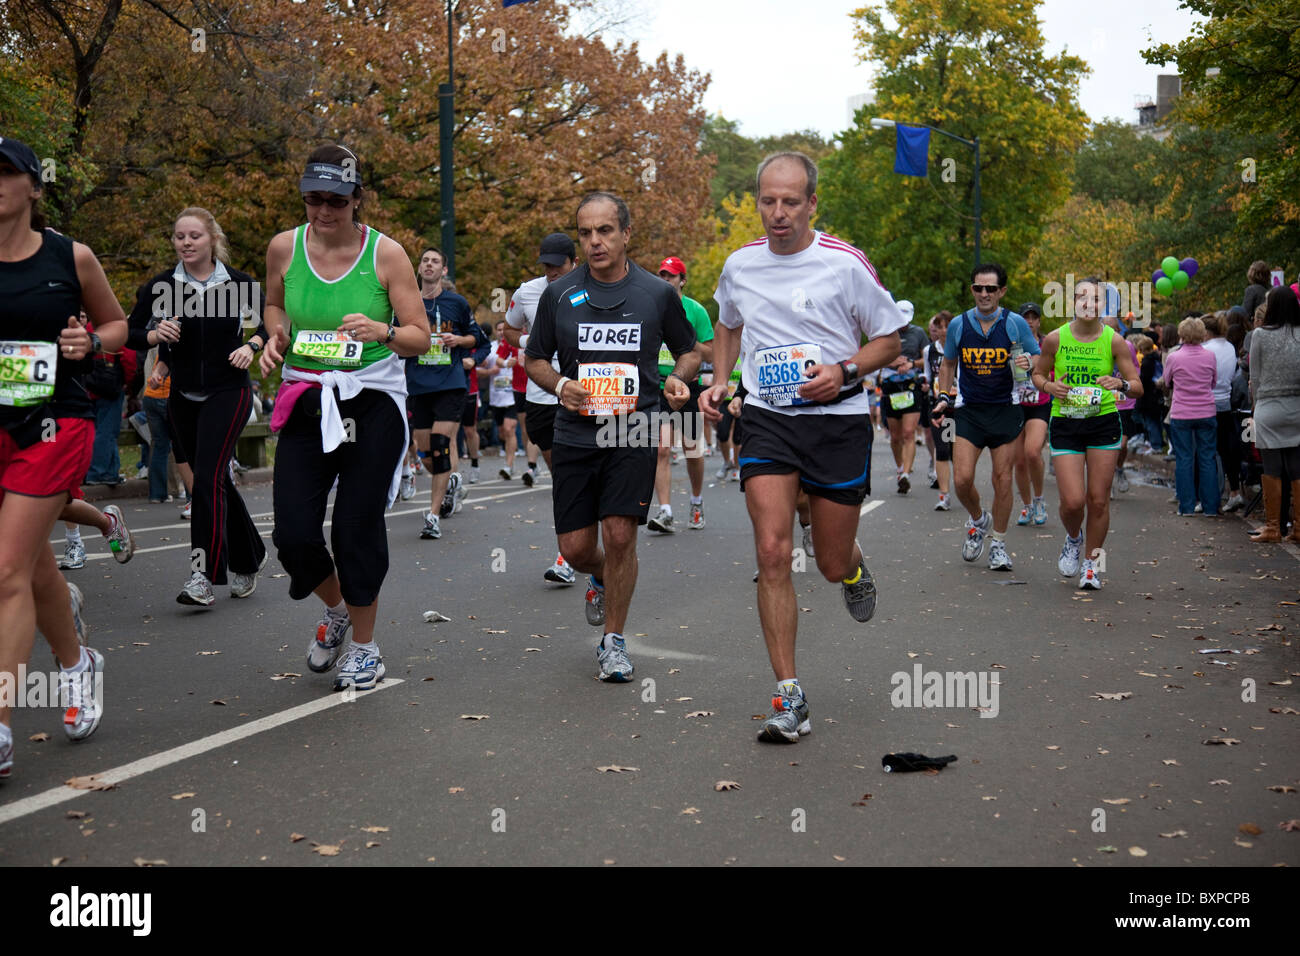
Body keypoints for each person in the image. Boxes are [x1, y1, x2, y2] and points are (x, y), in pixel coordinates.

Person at [700, 151, 905, 744]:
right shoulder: (741, 265)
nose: (778, 213)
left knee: (831, 562)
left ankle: (851, 566)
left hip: (836, 422)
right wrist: (721, 378)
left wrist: (844, 370)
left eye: (792, 201)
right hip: (768, 417)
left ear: (813, 203)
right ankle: (789, 696)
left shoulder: (844, 264)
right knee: (771, 551)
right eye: (768, 200)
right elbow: (729, 323)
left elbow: (889, 341)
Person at [259, 143, 431, 689]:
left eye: (335, 199)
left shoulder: (387, 255)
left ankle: (365, 645)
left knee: (356, 526)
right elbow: (274, 305)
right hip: (307, 399)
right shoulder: (284, 248)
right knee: (292, 533)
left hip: (371, 401)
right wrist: (275, 333)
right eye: (313, 199)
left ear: (358, 199)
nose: (323, 211)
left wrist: (383, 331)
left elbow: (420, 338)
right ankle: (335, 609)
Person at [524, 191, 698, 684]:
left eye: (605, 231)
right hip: (577, 432)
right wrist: (560, 385)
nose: (596, 241)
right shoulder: (559, 294)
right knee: (577, 548)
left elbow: (689, 350)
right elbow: (533, 357)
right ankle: (599, 576)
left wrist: (678, 378)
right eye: (586, 233)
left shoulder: (656, 293)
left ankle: (614, 641)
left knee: (621, 534)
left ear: (626, 234)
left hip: (635, 426)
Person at [0, 135, 122, 776]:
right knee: (29, 565)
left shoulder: (68, 256)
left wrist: (88, 343)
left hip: (52, 421)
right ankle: (78, 663)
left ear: (33, 187)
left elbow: (116, 327)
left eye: (4, 173)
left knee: (3, 570)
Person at [125, 207, 268, 605]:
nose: (185, 243)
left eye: (194, 236)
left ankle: (202, 575)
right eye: (179, 236)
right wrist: (155, 335)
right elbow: (131, 332)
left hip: (230, 392)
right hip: (182, 396)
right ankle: (250, 556)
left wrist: (251, 346)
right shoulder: (162, 287)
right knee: (215, 480)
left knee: (205, 480)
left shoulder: (238, 284)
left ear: (212, 240)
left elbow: (274, 326)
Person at [1032, 277, 1142, 589]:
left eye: (1095, 299)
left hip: (1103, 422)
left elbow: (1138, 386)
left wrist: (1120, 383)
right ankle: (1072, 538)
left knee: (1098, 500)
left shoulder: (1114, 341)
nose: (1088, 304)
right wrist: (1050, 386)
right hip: (1066, 423)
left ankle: (1092, 566)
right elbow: (1038, 375)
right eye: (1082, 298)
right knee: (1072, 502)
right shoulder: (1055, 339)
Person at [930, 264, 1039, 572]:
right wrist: (943, 395)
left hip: (1006, 409)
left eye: (991, 288)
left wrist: (1027, 360)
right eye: (979, 288)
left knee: (1002, 479)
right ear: (972, 290)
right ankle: (979, 520)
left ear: (1002, 291)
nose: (984, 294)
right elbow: (948, 364)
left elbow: (1038, 356)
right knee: (962, 479)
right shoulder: (960, 325)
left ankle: (999, 545)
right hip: (969, 410)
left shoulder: (1015, 324)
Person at [502, 232, 579, 583]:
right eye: (546, 265)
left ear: (573, 262)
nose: (551, 272)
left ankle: (568, 554)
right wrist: (527, 342)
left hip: (581, 394)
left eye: (557, 266)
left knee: (570, 476)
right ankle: (578, 542)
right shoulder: (526, 291)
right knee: (562, 476)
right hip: (541, 395)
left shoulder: (591, 287)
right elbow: (509, 329)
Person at [405, 247, 487, 540]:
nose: (429, 265)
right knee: (426, 453)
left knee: (441, 445)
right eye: (425, 260)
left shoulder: (456, 302)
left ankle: (433, 516)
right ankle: (451, 478)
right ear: (419, 268)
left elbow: (478, 338)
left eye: (435, 261)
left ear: (444, 271)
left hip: (450, 383)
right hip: (418, 384)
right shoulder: (406, 303)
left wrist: (459, 341)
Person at [647, 256, 714, 531]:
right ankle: (665, 511)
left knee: (691, 450)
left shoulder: (695, 310)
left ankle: (696, 502)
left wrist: (685, 339)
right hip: (657, 385)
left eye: (671, 276)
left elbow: (711, 352)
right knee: (661, 448)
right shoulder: (649, 307)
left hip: (687, 387)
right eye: (661, 275)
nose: (665, 280)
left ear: (682, 281)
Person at [1246, 286, 1300, 542]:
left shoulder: (1260, 335)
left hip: (1268, 405)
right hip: (1297, 406)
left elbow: (1254, 375)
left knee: (1272, 467)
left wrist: (1256, 405)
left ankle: (1272, 527)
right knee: (1296, 467)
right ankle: (1298, 528)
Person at [1162, 317, 1220, 517]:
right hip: (1206, 411)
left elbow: (1167, 381)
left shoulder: (1174, 357)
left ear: (1182, 334)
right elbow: (1213, 382)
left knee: (1184, 459)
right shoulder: (1210, 356)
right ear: (1202, 334)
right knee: (1207, 459)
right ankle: (1211, 507)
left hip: (1182, 412)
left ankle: (1186, 507)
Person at [878, 299, 928, 495]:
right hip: (891, 387)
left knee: (909, 433)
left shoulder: (919, 333)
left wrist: (911, 364)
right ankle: (900, 467)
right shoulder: (885, 332)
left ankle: (906, 474)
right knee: (896, 435)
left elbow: (927, 357)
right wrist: (890, 362)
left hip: (911, 386)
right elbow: (876, 357)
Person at [1201, 312, 1245, 511]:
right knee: (1227, 450)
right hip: (1226, 401)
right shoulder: (1229, 346)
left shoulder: (1205, 349)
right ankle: (1234, 491)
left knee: (1208, 452)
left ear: (1206, 332)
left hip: (1207, 402)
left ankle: (1210, 497)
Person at [1013, 302, 1050, 525]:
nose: (1029, 321)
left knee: (1033, 452)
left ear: (1038, 321)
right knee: (1018, 461)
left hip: (1040, 403)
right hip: (1016, 403)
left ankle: (1039, 499)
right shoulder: (1012, 344)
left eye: (1033, 317)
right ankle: (1027, 506)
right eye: (1025, 317)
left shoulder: (1047, 345)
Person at [923, 311, 955, 510]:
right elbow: (928, 375)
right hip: (937, 406)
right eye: (940, 327)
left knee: (955, 451)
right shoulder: (929, 351)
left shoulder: (960, 348)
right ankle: (944, 495)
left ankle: (961, 485)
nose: (944, 331)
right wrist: (927, 386)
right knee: (942, 450)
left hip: (958, 405)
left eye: (947, 326)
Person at [482, 321, 522, 479]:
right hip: (496, 397)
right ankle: (510, 454)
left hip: (512, 395)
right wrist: (488, 368)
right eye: (498, 330)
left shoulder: (516, 346)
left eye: (503, 330)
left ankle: (509, 465)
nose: (501, 332)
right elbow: (482, 365)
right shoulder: (491, 348)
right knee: (502, 433)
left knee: (509, 429)